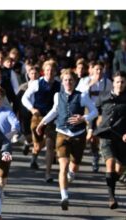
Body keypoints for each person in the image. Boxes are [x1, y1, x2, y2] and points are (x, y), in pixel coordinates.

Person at [36, 69, 98, 211]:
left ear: (75, 82)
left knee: (74, 166)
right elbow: (54, 111)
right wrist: (42, 123)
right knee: (63, 166)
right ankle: (64, 196)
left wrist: (83, 118)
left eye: (70, 80)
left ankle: (71, 175)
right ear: (62, 82)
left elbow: (94, 111)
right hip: (62, 132)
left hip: (78, 134)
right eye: (65, 80)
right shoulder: (58, 95)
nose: (68, 83)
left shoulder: (82, 96)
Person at [21, 60, 61, 183]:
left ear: (55, 72)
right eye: (48, 70)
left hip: (52, 119)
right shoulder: (37, 83)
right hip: (38, 117)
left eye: (52, 70)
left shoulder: (59, 85)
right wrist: (32, 109)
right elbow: (24, 98)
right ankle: (34, 155)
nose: (50, 72)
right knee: (38, 145)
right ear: (44, 71)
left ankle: (47, 173)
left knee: (50, 145)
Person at [94, 71, 126, 209]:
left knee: (120, 168)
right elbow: (94, 113)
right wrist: (91, 129)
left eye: (123, 82)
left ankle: (113, 180)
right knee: (110, 163)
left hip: (122, 138)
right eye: (118, 81)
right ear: (113, 82)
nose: (120, 84)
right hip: (106, 136)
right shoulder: (103, 97)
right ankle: (111, 197)